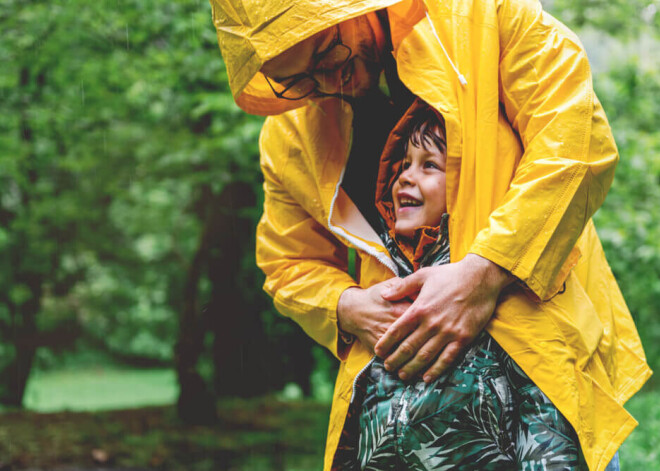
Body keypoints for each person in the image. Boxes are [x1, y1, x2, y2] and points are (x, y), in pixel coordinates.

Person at [209, 0, 651, 469]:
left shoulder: (483, 14)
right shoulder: (289, 137)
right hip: (395, 420)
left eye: (326, 53)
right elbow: (287, 263)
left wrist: (486, 273)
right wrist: (346, 307)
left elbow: (575, 141)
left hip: (540, 387)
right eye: (295, 81)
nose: (324, 82)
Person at [333, 99, 590, 470]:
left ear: (466, 185)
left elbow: (546, 419)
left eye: (429, 166)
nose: (405, 176)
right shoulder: (382, 283)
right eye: (403, 164)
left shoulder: (499, 290)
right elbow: (358, 416)